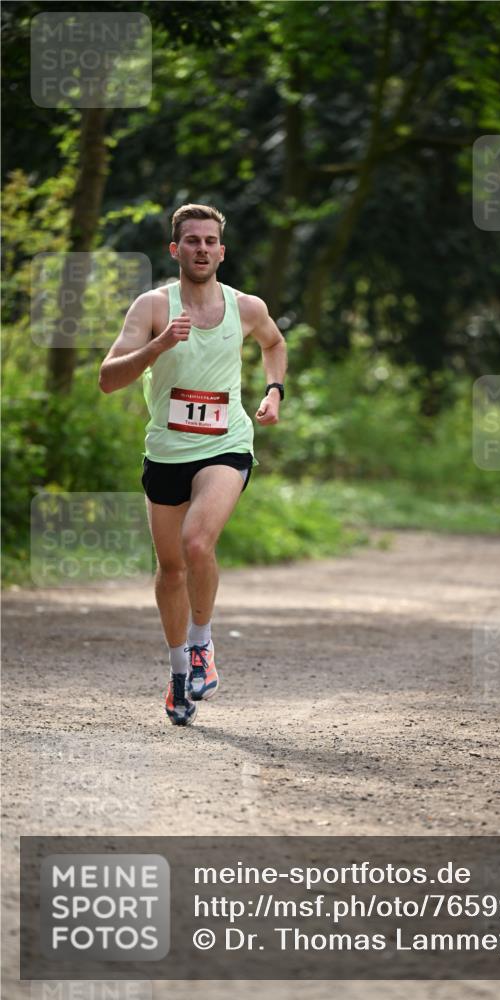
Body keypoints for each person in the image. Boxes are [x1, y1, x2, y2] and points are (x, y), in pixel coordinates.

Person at [99, 204, 287, 726]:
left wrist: (274, 391)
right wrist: (159, 345)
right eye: (192, 241)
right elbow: (108, 378)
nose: (202, 249)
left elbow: (274, 342)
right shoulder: (152, 307)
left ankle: (203, 646)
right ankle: (179, 671)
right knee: (170, 569)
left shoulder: (245, 307)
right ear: (175, 250)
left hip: (225, 443)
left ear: (221, 252)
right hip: (166, 451)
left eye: (210, 241)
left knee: (197, 543)